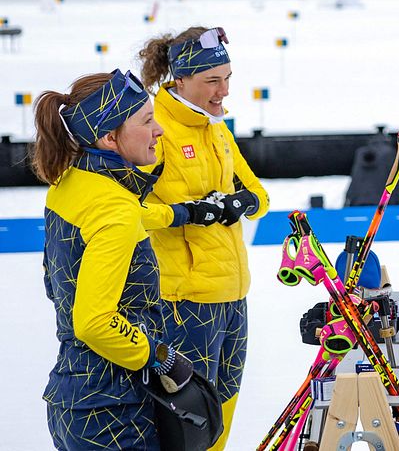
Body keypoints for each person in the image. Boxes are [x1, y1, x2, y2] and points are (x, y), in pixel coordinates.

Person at [36, 70, 223, 449]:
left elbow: (121, 221)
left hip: (74, 396)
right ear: (109, 137)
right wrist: (160, 357)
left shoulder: (71, 185)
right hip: (115, 410)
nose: (160, 130)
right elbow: (94, 323)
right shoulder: (114, 209)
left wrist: (182, 214)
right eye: (146, 120)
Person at [137, 27, 270, 450]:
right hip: (186, 299)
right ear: (180, 79)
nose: (224, 91)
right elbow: (136, 214)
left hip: (233, 292)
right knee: (190, 414)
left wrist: (240, 203)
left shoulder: (215, 128)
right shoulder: (155, 129)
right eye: (212, 80)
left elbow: (261, 197)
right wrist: (193, 212)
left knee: (225, 402)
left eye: (227, 77)